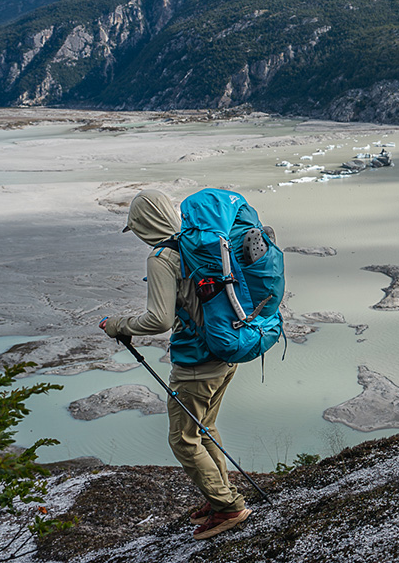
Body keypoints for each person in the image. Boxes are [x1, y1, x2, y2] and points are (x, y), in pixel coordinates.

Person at [99, 189, 252, 539]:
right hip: (227, 350)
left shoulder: (162, 258)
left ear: (143, 225)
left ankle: (228, 507)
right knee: (205, 427)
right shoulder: (197, 243)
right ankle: (219, 499)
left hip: (197, 362)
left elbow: (159, 320)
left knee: (183, 439)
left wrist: (118, 325)